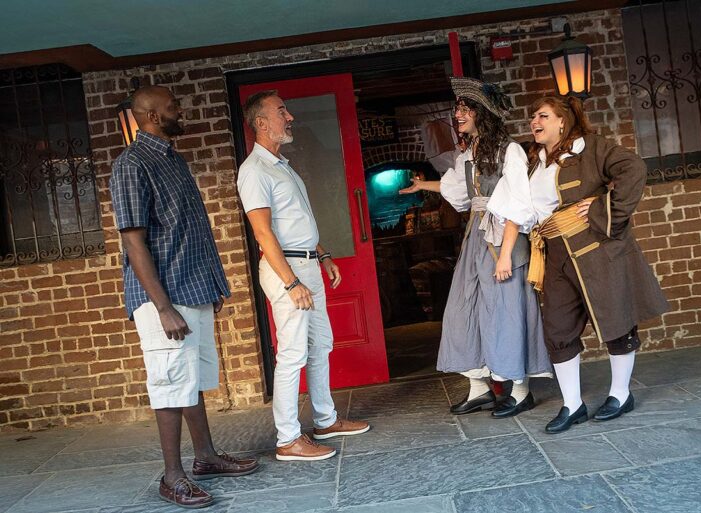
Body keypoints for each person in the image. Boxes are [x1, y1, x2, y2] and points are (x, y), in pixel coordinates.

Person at [109, 85, 259, 509]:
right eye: (174, 106)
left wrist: (211, 287)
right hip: (165, 298)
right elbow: (134, 243)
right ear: (154, 115)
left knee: (190, 379)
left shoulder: (171, 158)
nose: (181, 110)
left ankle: (206, 457)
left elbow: (187, 232)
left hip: (192, 289)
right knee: (169, 384)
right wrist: (163, 307)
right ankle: (172, 476)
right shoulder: (131, 164)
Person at [492, 95, 668, 433]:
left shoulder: (590, 149)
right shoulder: (532, 161)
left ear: (562, 121)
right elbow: (518, 207)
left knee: (615, 319)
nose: (534, 122)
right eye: (532, 117)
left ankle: (620, 394)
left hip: (597, 249)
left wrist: (606, 210)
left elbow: (634, 168)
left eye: (542, 115)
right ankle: (572, 405)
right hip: (554, 254)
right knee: (557, 329)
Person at [400, 77, 552, 419]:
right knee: (463, 308)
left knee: (507, 311)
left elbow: (518, 204)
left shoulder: (508, 151)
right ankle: (480, 388)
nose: (458, 113)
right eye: (457, 107)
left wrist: (504, 255)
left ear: (482, 113)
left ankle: (520, 389)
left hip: (503, 240)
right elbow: (458, 190)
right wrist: (421, 184)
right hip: (476, 238)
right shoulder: (469, 152)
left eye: (465, 108)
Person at [237, 90, 370, 461]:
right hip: (288, 270)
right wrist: (291, 282)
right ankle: (288, 439)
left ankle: (325, 420)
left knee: (321, 344)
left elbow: (297, 223)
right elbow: (263, 233)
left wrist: (323, 253)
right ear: (261, 123)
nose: (290, 116)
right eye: (281, 112)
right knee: (292, 354)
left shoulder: (282, 165)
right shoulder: (254, 171)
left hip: (306, 263)